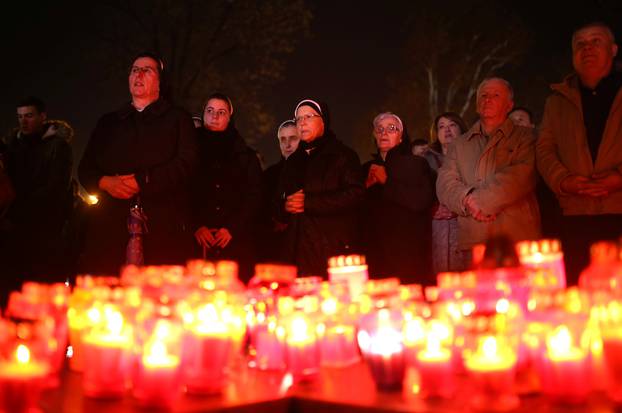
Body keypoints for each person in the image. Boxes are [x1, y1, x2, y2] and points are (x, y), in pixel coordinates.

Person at [78, 52, 198, 274]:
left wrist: (143, 181)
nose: (139, 74)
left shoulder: (178, 120)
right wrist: (105, 182)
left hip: (163, 226)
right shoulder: (109, 123)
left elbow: (186, 164)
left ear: (160, 82)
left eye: (147, 70)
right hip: (110, 227)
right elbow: (85, 168)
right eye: (134, 70)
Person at [536, 22, 622, 285]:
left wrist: (618, 177)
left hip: (618, 208)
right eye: (580, 44)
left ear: (613, 49)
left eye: (595, 41)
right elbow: (545, 148)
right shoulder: (557, 101)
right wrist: (563, 180)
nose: (587, 48)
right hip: (575, 215)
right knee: (578, 293)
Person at [437, 77, 541, 266]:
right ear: (476, 104)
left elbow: (521, 175)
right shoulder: (460, 144)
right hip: (475, 238)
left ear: (509, 105)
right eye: (483, 95)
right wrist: (466, 198)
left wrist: (481, 201)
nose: (488, 99)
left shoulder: (525, 138)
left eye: (495, 95)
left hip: (517, 236)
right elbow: (445, 182)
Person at [278, 98, 364, 276]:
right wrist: (285, 206)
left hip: (332, 250)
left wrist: (309, 202)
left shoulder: (343, 155)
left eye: (308, 116)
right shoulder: (293, 161)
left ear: (323, 120)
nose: (302, 123)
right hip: (297, 252)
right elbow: (277, 200)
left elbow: (356, 194)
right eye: (298, 119)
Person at [0, 97, 73, 298]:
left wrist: (16, 214)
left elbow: (54, 190)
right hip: (13, 235)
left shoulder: (57, 147)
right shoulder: (12, 148)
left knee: (42, 294)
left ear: (42, 117)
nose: (24, 121)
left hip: (43, 233)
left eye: (29, 116)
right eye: (20, 117)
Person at [191, 93, 262, 282]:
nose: (214, 116)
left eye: (221, 112)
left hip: (235, 241)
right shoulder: (187, 152)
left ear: (230, 117)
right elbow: (179, 190)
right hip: (195, 241)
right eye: (210, 111)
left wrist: (232, 228)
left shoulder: (245, 155)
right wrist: (196, 225)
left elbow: (254, 195)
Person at [363, 112, 435, 284]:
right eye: (379, 129)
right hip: (375, 255)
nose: (384, 133)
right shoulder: (365, 168)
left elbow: (420, 201)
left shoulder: (415, 164)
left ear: (401, 137)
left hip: (408, 253)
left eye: (391, 128)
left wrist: (387, 182)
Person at [427, 112, 470, 274]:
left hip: (464, 220)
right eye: (442, 127)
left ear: (461, 128)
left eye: (452, 125)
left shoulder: (472, 155)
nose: (447, 130)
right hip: (437, 223)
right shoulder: (426, 160)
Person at [258, 120, 300, 262]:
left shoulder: (312, 171)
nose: (287, 144)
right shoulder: (269, 175)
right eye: (283, 139)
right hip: (275, 247)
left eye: (293, 139)